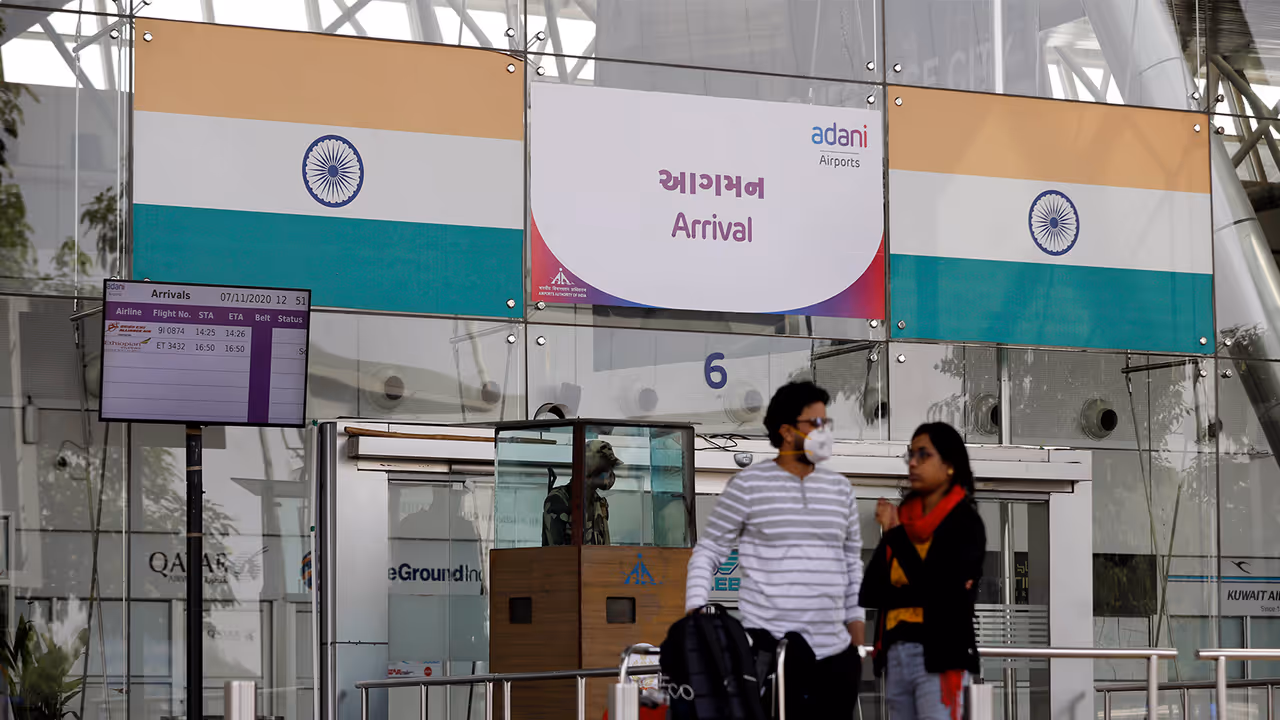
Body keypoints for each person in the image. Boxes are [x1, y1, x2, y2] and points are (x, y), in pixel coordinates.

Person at [685, 381, 864, 718]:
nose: (824, 432)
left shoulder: (839, 489)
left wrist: (856, 628)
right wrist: (696, 612)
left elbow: (852, 564)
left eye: (826, 423)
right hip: (773, 650)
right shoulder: (748, 485)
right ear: (786, 431)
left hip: (835, 655)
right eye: (815, 423)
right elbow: (708, 552)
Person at [859, 422, 986, 720]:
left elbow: (942, 590)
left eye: (924, 455)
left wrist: (895, 536)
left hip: (939, 654)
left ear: (949, 465)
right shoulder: (905, 520)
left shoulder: (964, 522)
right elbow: (870, 591)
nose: (913, 463)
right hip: (897, 651)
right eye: (911, 454)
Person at [542, 439, 621, 546]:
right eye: (605, 467)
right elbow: (555, 551)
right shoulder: (559, 499)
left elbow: (605, 547)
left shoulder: (600, 503)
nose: (609, 473)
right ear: (590, 466)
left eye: (611, 468)